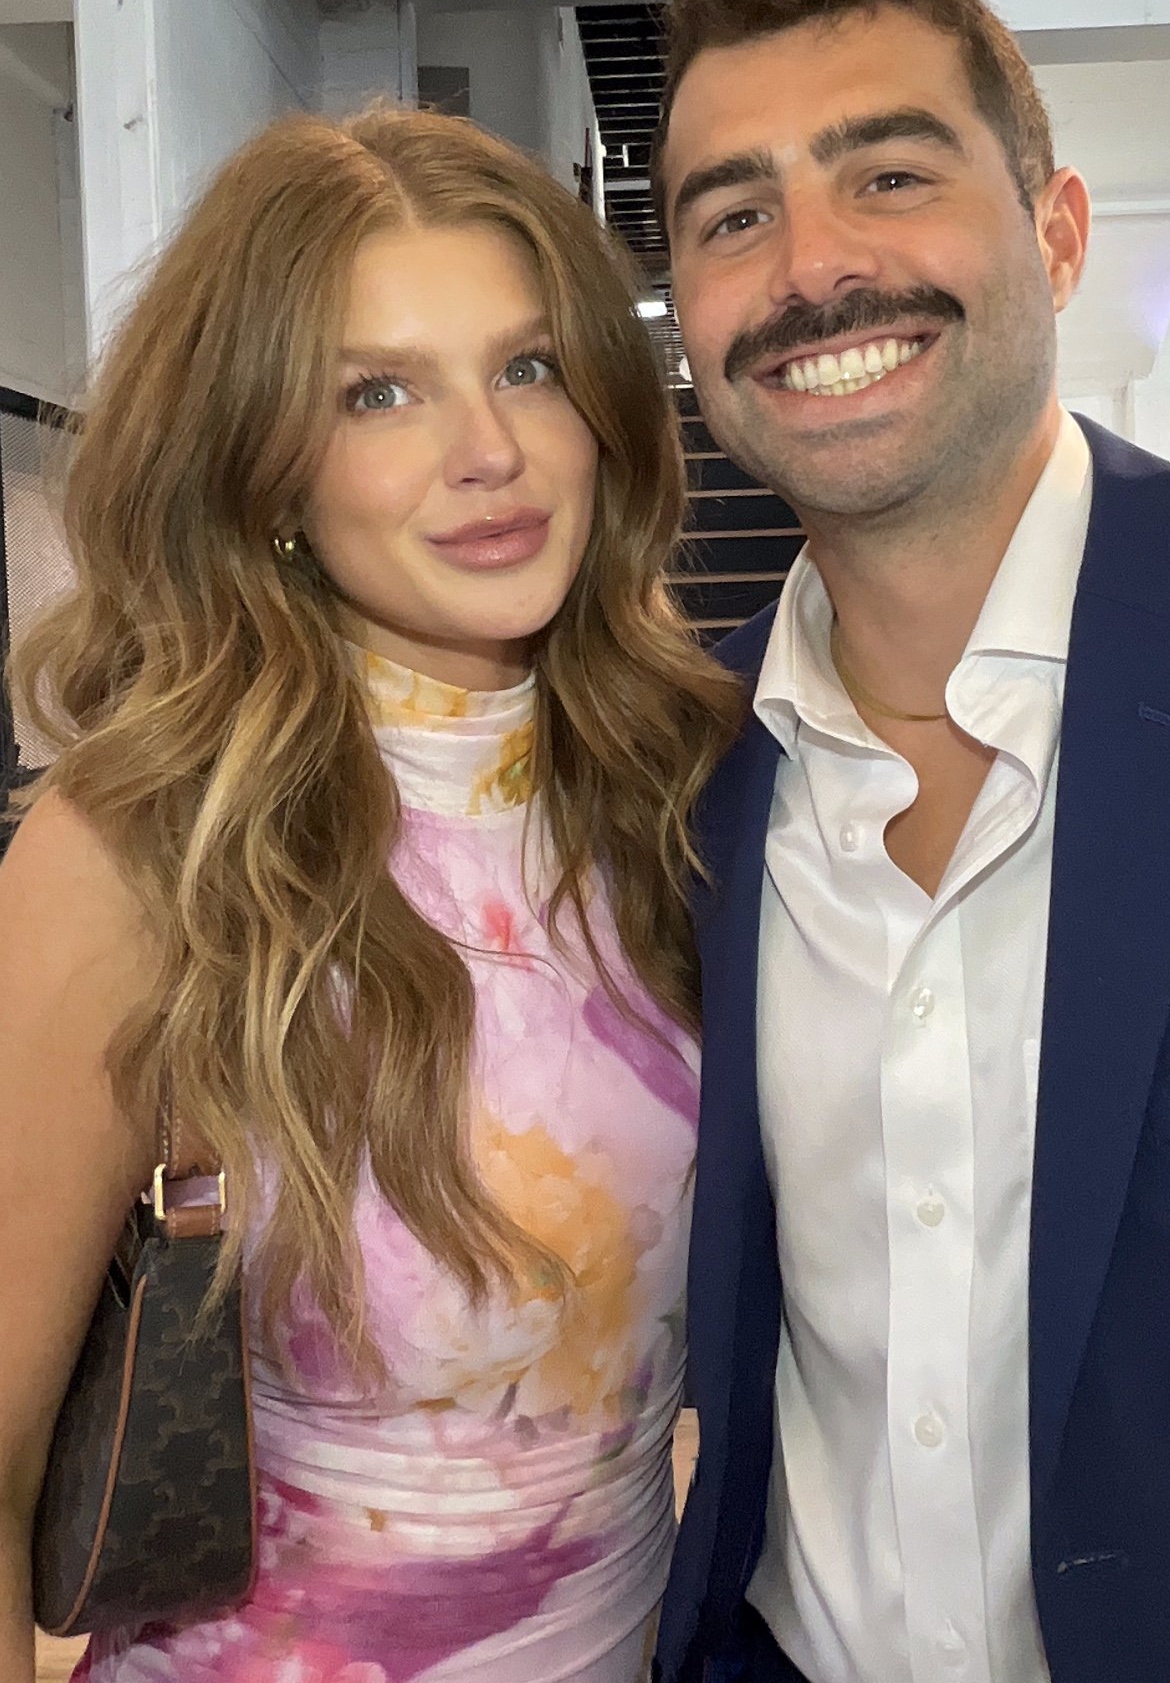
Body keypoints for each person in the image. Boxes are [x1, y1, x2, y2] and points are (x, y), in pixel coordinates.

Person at [0, 105, 741, 1683]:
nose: (490, 450)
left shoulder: (679, 785)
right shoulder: (141, 846)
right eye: (378, 392)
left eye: (528, 365)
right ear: (266, 464)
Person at [651, 0, 1170, 1683]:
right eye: (734, 214)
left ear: (1060, 232)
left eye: (892, 175)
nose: (812, 268)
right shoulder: (671, 783)